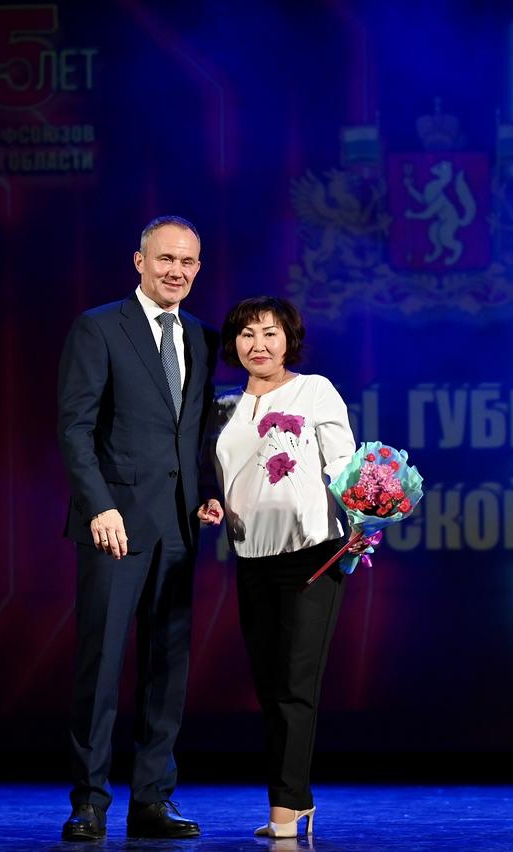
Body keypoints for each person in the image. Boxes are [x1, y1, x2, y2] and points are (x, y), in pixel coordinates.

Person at [57, 215, 218, 842]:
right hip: (114, 525)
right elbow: (75, 428)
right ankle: (89, 802)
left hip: (178, 526)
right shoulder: (99, 327)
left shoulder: (202, 336)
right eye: (165, 259)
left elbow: (197, 433)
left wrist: (208, 494)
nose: (176, 271)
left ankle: (152, 798)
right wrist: (98, 505)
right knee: (100, 665)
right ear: (139, 261)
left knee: (167, 667)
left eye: (187, 262)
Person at [197, 296, 369, 839]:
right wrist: (209, 502)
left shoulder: (314, 390)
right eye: (247, 334)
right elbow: (215, 474)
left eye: (270, 333)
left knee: (296, 683)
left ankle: (286, 810)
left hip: (313, 553)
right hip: (251, 556)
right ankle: (297, 799)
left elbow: (343, 462)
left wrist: (363, 514)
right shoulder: (222, 407)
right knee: (270, 686)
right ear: (234, 344)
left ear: (289, 339)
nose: (259, 344)